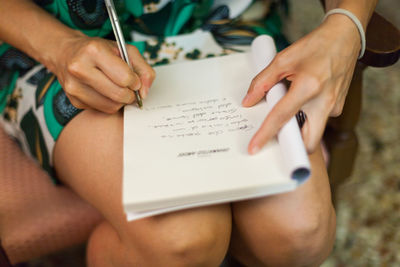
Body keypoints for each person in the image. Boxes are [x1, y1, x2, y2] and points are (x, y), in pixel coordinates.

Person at [0, 0, 376, 266]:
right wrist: (60, 47)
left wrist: (347, 26)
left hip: (227, 28)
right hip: (65, 47)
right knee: (182, 240)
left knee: (301, 235)